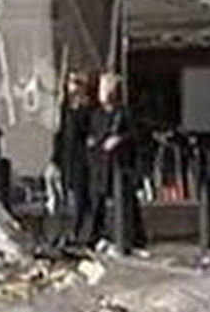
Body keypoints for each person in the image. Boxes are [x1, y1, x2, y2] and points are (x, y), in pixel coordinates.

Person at [86, 73, 147, 248]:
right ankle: (94, 235)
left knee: (126, 202)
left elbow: (134, 136)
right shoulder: (96, 114)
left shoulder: (123, 113)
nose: (101, 93)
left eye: (104, 89)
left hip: (119, 165)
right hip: (100, 163)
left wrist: (119, 140)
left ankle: (132, 238)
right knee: (97, 201)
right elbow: (93, 135)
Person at [52, 72, 94, 246]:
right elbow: (60, 134)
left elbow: (87, 132)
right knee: (63, 196)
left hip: (80, 158)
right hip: (66, 157)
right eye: (70, 82)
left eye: (76, 82)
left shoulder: (87, 109)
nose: (72, 86)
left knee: (80, 196)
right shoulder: (65, 108)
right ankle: (65, 232)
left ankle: (78, 231)